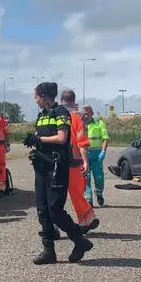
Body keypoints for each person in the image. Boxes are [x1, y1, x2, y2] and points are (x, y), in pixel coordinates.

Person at [23, 82, 93, 265]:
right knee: (42, 209)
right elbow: (43, 138)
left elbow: (62, 139)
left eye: (36, 96)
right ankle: (49, 251)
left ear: (44, 96)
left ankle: (79, 240)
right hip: (42, 166)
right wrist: (35, 144)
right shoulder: (41, 115)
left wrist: (39, 138)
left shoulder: (61, 113)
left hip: (57, 166)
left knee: (55, 210)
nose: (35, 99)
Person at [60, 89, 99, 233]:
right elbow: (82, 142)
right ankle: (86, 220)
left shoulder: (55, 115)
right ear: (73, 101)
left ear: (61, 100)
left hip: (57, 163)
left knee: (57, 197)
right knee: (76, 193)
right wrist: (86, 162)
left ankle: (55, 226)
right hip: (75, 163)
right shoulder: (78, 118)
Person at [82, 105, 109, 206]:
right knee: (86, 177)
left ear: (92, 113)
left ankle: (99, 194)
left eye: (87, 113)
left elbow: (105, 138)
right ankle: (88, 199)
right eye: (84, 114)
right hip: (85, 154)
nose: (85, 116)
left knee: (99, 177)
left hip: (97, 154)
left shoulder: (99, 123)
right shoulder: (81, 125)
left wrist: (103, 151)